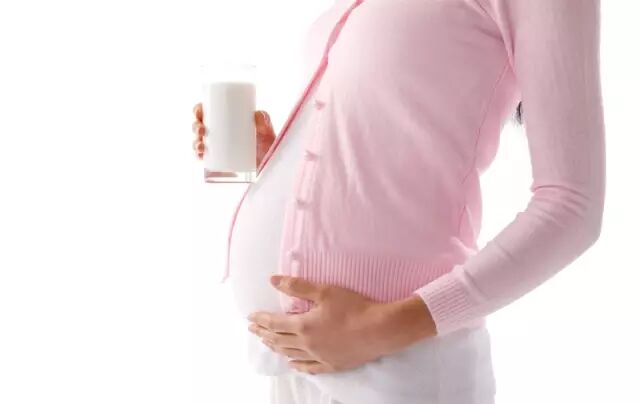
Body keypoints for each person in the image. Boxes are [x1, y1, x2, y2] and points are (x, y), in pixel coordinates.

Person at [191, 0, 606, 403]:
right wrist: (277, 157)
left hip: (400, 373)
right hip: (294, 367)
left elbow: (572, 206)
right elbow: (379, 143)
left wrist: (378, 329)